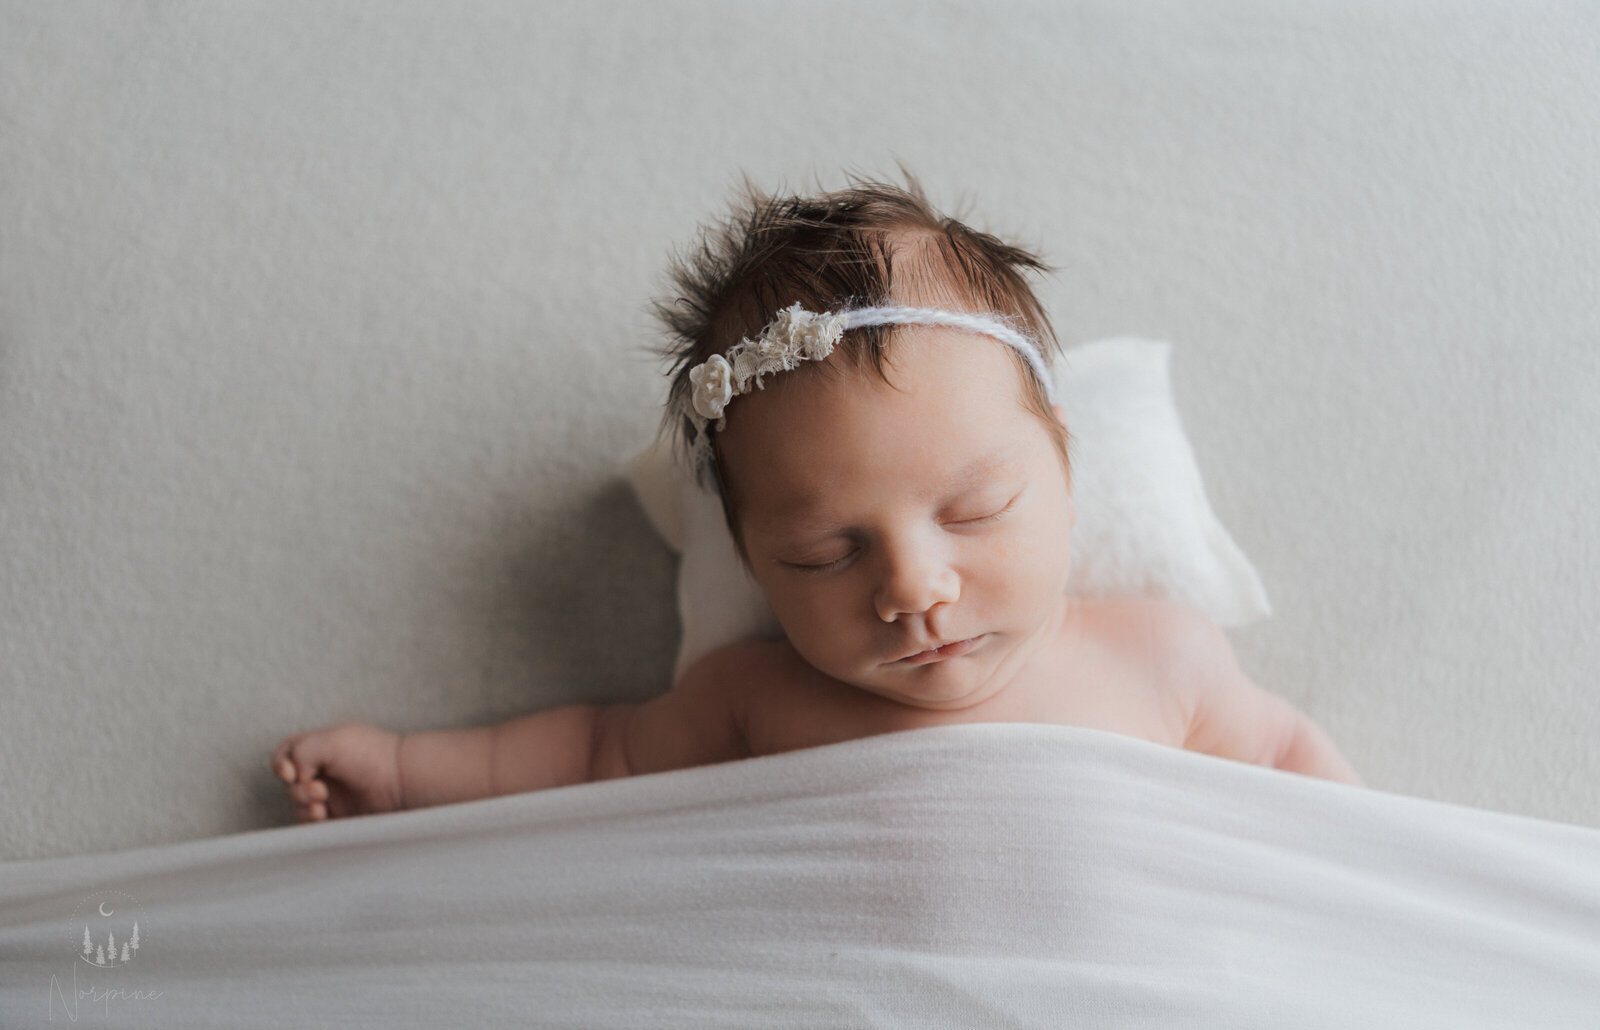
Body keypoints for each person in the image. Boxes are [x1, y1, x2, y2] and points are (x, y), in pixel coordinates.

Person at [272, 175, 1361, 823]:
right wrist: (409, 769)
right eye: (821, 553)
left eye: (975, 508)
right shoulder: (753, 698)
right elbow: (597, 753)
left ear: (1068, 475)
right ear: (748, 559)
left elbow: (1291, 771)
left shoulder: (1155, 656)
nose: (913, 587)